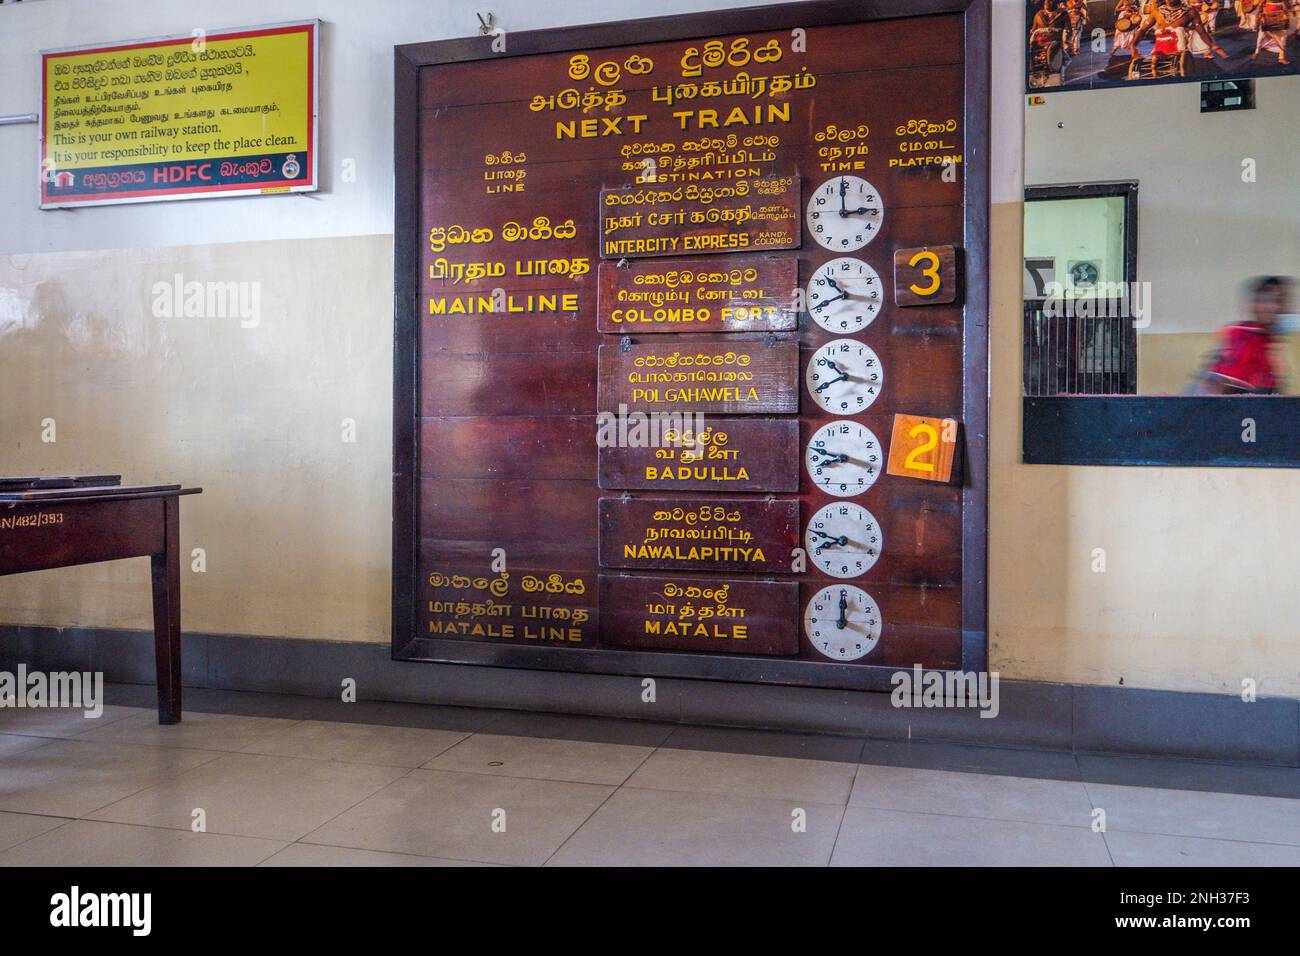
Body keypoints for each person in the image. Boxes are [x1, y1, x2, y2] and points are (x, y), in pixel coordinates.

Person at [1198, 276, 1295, 393]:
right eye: (1266, 300)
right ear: (1253, 305)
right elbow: (1216, 386)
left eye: (1279, 301)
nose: (1274, 307)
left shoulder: (1270, 340)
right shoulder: (1241, 336)